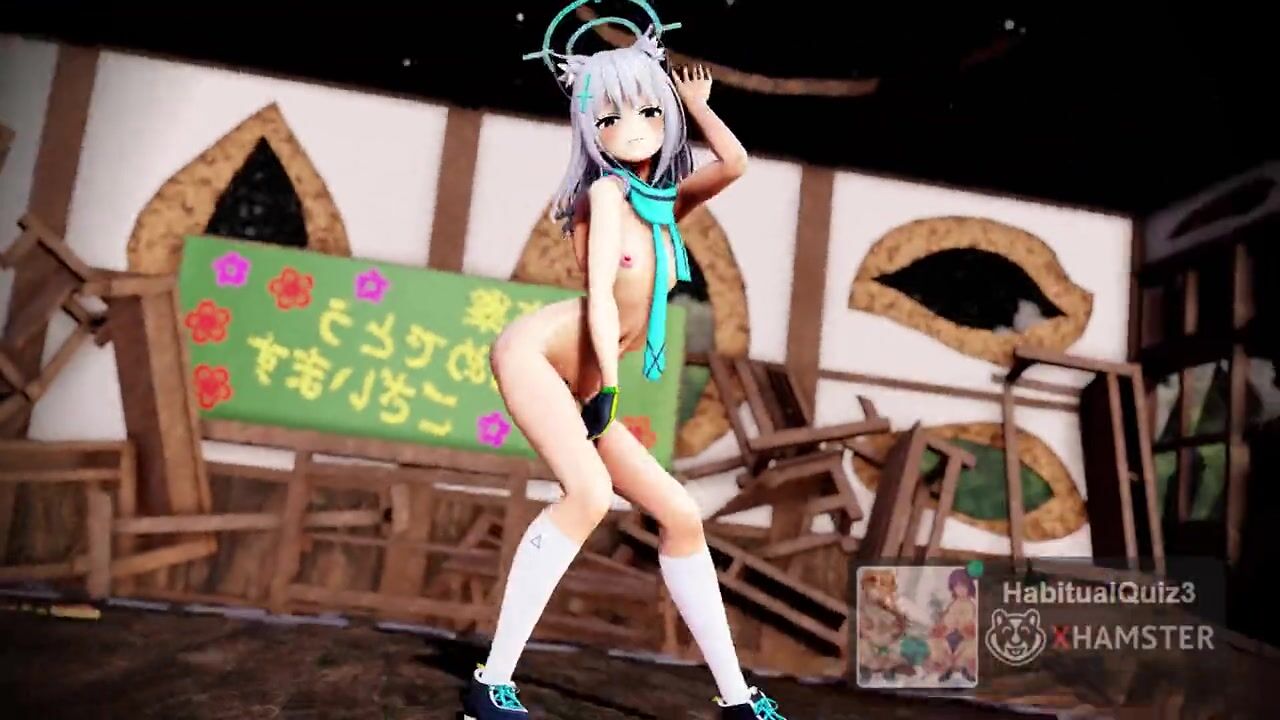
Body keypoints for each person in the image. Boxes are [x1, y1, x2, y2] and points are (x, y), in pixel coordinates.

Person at [461, 18, 788, 720]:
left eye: (648, 111)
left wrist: (698, 107)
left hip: (584, 380)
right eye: (611, 117)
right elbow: (602, 301)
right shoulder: (605, 197)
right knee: (587, 495)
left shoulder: (663, 206)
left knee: (682, 516)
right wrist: (609, 388)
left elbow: (734, 163)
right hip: (538, 357)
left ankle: (738, 698)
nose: (633, 129)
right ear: (591, 129)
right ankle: (491, 682)